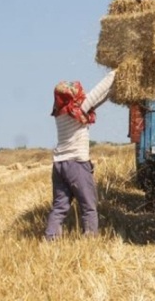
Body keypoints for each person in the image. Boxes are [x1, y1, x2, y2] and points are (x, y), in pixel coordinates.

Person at [44, 70, 116, 240]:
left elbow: (97, 100)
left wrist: (112, 93)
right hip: (76, 164)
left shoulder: (61, 113)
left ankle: (50, 239)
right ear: (72, 98)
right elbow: (98, 92)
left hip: (59, 164)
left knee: (60, 207)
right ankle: (90, 239)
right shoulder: (77, 110)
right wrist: (117, 72)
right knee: (89, 206)